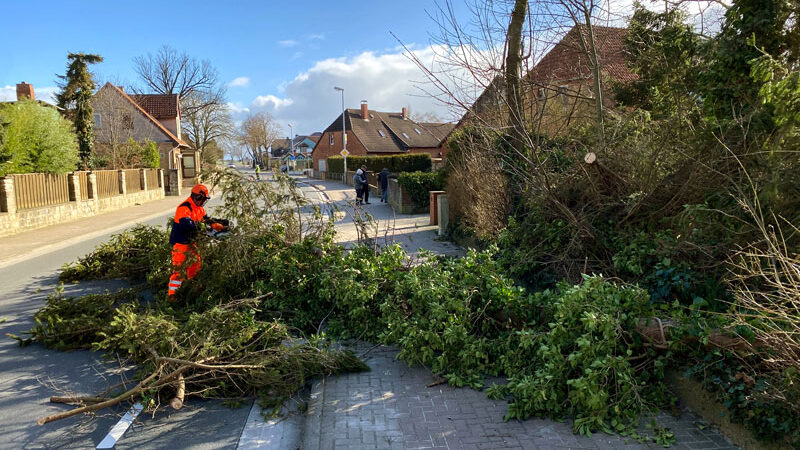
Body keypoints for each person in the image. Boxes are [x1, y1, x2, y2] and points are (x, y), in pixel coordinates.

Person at [167, 184, 228, 299]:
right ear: (198, 197)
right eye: (203, 199)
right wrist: (207, 228)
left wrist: (217, 224)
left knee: (196, 268)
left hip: (192, 242)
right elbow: (188, 225)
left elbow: (206, 220)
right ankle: (173, 298)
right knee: (178, 271)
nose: (204, 202)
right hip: (181, 244)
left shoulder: (200, 209)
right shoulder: (184, 208)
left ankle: (194, 293)